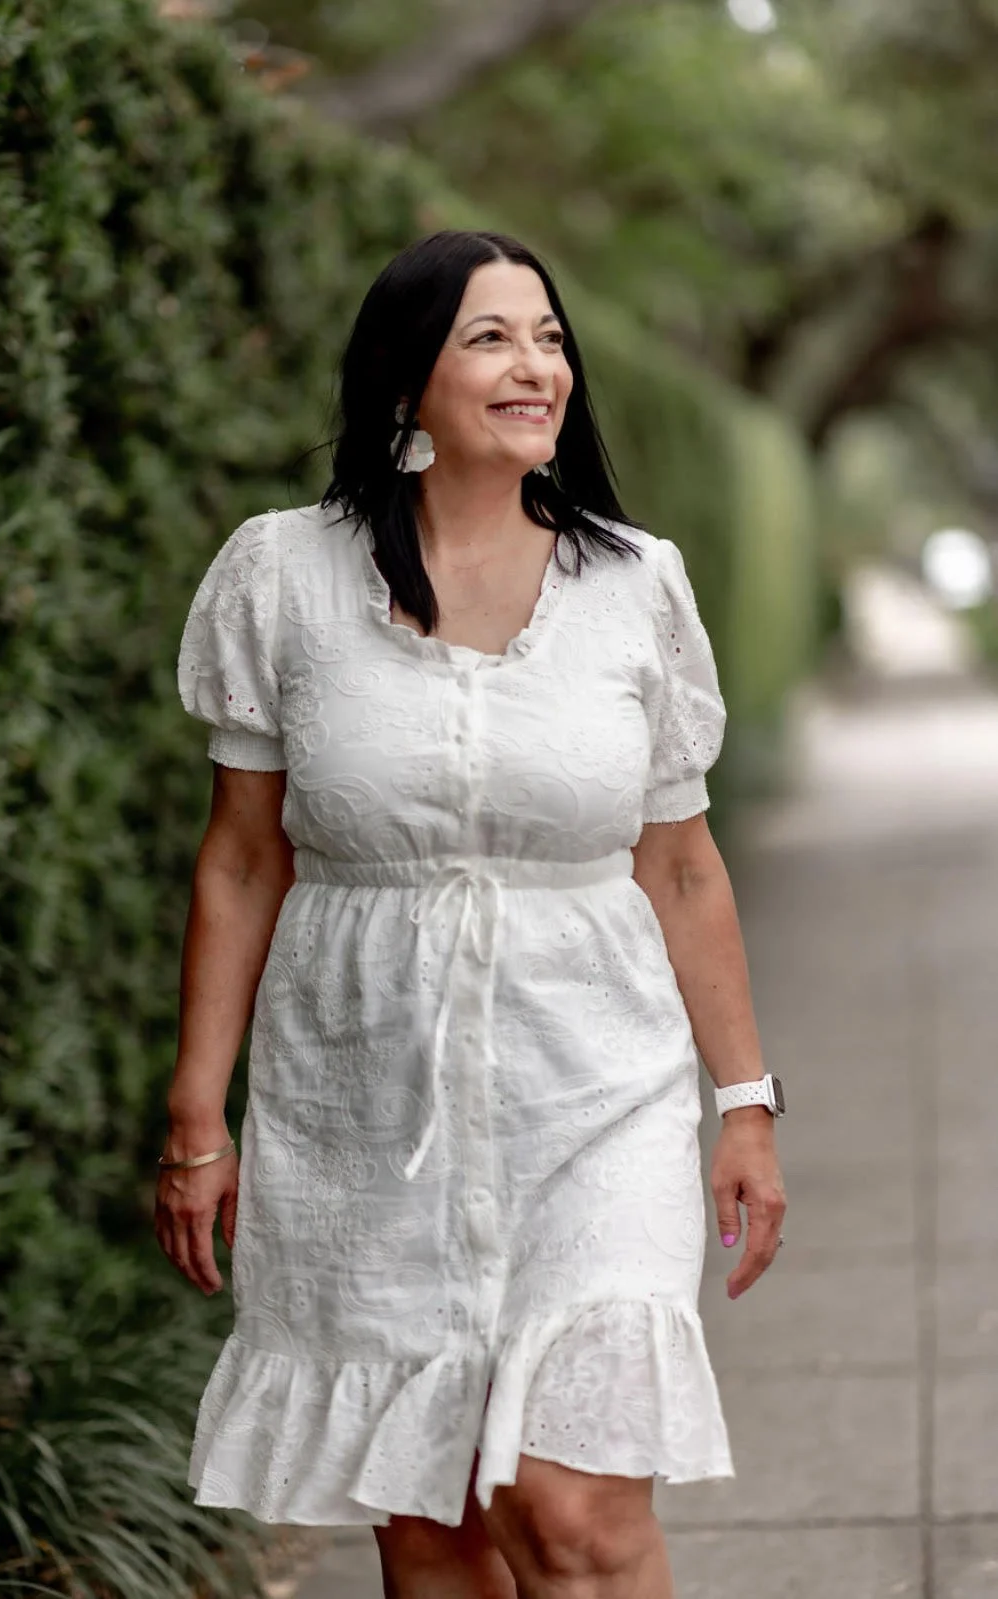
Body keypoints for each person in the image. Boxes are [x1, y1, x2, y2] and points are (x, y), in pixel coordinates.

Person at [156, 229, 787, 1599]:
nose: (534, 363)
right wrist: (199, 1118)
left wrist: (742, 1097)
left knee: (570, 1512)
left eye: (549, 336)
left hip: (597, 1088)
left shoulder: (636, 587)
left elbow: (679, 863)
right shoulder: (282, 579)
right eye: (490, 336)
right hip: (359, 1101)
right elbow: (242, 861)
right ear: (404, 383)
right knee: (432, 1523)